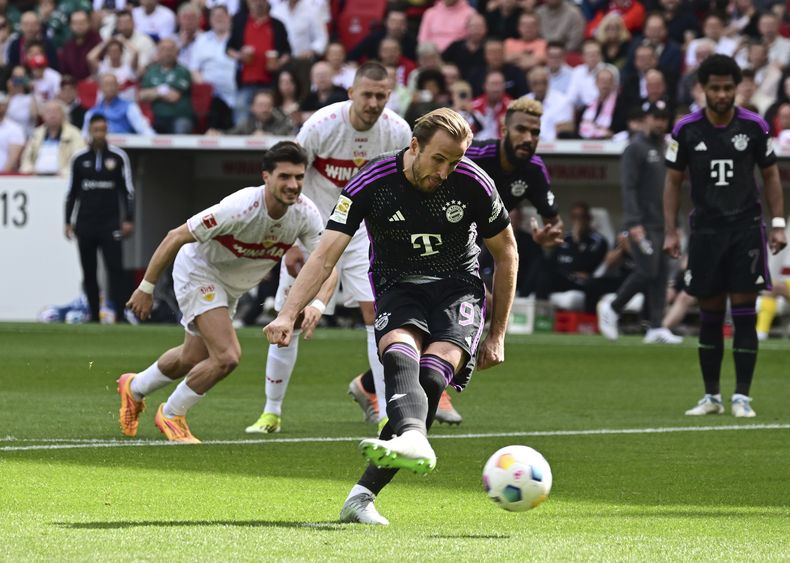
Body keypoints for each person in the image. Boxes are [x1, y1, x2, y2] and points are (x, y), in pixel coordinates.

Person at [264, 108, 518, 525]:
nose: (445, 171)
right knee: (400, 355)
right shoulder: (372, 182)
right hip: (398, 285)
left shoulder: (472, 182)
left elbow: (506, 252)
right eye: (438, 159)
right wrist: (288, 313)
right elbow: (326, 253)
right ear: (414, 146)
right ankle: (410, 443)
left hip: (458, 287)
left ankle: (364, 493)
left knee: (434, 376)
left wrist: (498, 334)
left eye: (454, 161)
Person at [119, 141, 335, 443]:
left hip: (231, 285)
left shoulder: (305, 215)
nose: (293, 184)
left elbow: (327, 262)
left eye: (299, 177)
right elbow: (175, 236)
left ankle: (134, 387)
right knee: (227, 356)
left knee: (192, 356)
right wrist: (146, 287)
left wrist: (319, 303)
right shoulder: (240, 208)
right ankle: (171, 414)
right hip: (200, 271)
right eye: (285, 177)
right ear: (266, 177)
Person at [244, 62, 413, 435]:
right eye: (366, 94)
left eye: (380, 96)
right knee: (288, 314)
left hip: (365, 233)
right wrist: (289, 241)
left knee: (378, 315)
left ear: (389, 96)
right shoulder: (321, 125)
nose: (372, 102)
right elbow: (289, 178)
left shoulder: (398, 131)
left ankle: (386, 413)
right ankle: (271, 412)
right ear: (351, 92)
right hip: (313, 230)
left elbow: (405, 186)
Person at [663, 55, 786, 418]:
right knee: (710, 313)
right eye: (714, 88)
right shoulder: (686, 129)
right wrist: (671, 230)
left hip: (745, 230)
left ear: (737, 89)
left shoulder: (755, 126)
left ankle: (742, 397)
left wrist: (777, 222)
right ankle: (712, 397)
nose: (721, 94)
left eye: (728, 88)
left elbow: (771, 176)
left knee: (744, 313)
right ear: (703, 89)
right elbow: (672, 181)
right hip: (705, 232)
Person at [597, 103, 682, 344]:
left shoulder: (666, 147)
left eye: (664, 118)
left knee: (661, 274)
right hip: (641, 224)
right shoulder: (635, 148)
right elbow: (629, 187)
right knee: (648, 270)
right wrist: (634, 222)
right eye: (656, 117)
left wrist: (673, 224)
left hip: (662, 224)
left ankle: (656, 326)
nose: (660, 123)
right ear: (646, 119)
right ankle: (612, 308)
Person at [65, 114, 135, 324]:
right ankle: (94, 315)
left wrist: (128, 218)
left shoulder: (118, 157)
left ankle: (121, 316)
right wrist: (68, 221)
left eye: (102, 130)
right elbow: (72, 192)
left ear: (107, 132)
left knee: (115, 269)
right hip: (85, 223)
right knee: (89, 271)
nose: (99, 134)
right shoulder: (78, 159)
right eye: (95, 130)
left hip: (110, 223)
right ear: (89, 132)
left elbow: (128, 191)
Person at [20, 100, 86, 176]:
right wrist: (29, 170)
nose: (52, 115)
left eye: (56, 112)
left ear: (63, 115)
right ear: (43, 116)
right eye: (49, 112)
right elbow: (26, 158)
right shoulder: (36, 134)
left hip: (63, 178)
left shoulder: (74, 134)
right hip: (36, 177)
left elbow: (78, 159)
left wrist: (64, 173)